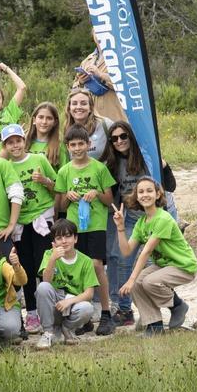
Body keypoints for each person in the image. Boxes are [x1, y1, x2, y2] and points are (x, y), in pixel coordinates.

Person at [102, 120, 178, 327]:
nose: (119, 141)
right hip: (134, 218)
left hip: (161, 215)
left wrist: (164, 166)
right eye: (114, 138)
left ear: (131, 137)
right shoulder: (114, 163)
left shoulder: (147, 157)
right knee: (121, 257)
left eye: (123, 136)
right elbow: (114, 192)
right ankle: (125, 311)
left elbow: (171, 186)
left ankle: (174, 307)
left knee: (157, 263)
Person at [112, 177, 197, 336]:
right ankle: (154, 326)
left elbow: (146, 252)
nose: (145, 194)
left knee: (149, 281)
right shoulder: (141, 223)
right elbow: (126, 251)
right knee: (138, 284)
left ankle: (177, 305)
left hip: (183, 266)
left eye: (149, 191)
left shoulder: (163, 218)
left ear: (158, 194)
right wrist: (120, 228)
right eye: (141, 191)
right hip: (164, 265)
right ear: (137, 196)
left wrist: (130, 280)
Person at [54, 125, 117, 336]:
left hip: (96, 225)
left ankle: (106, 313)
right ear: (67, 147)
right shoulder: (64, 171)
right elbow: (60, 207)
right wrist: (67, 196)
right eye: (73, 145)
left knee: (97, 265)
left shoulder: (99, 168)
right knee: (77, 268)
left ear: (89, 145)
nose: (77, 148)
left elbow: (109, 200)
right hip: (74, 228)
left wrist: (96, 193)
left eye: (81, 144)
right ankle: (84, 318)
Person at [1, 123, 58, 335]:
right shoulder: (5, 166)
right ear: (5, 146)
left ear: (24, 141)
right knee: (26, 267)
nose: (15, 145)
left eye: (18, 140)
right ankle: (32, 312)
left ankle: (49, 312)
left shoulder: (39, 159)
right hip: (20, 224)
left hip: (42, 219)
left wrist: (44, 180)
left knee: (45, 266)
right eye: (10, 142)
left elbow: (58, 186)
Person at [34, 219, 99, 349]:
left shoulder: (85, 261)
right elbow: (46, 281)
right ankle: (48, 332)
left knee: (88, 308)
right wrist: (53, 259)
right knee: (42, 287)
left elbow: (89, 293)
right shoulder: (49, 254)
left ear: (75, 238)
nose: (64, 241)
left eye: (68, 236)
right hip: (54, 304)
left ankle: (67, 329)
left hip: (72, 304)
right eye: (59, 238)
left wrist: (69, 301)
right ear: (54, 242)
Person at [64, 87, 115, 161]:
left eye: (83, 103)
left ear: (90, 107)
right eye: (74, 103)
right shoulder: (66, 130)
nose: (78, 107)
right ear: (69, 108)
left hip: (107, 171)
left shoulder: (106, 125)